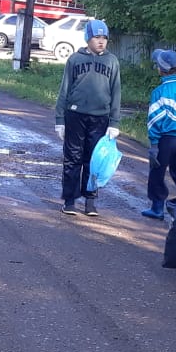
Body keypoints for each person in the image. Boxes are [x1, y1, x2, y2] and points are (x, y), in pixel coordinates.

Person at [55, 18, 121, 217]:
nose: (101, 41)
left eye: (104, 38)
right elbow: (64, 89)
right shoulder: (75, 59)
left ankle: (90, 200)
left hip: (100, 118)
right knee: (73, 157)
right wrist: (60, 119)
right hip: (75, 115)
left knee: (94, 160)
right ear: (87, 38)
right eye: (96, 37)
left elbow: (116, 91)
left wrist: (114, 122)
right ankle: (69, 200)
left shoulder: (112, 61)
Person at [141, 49, 176, 220]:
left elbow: (154, 119)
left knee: (157, 171)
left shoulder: (159, 91)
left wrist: (154, 144)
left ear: (160, 69)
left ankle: (157, 208)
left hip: (165, 139)